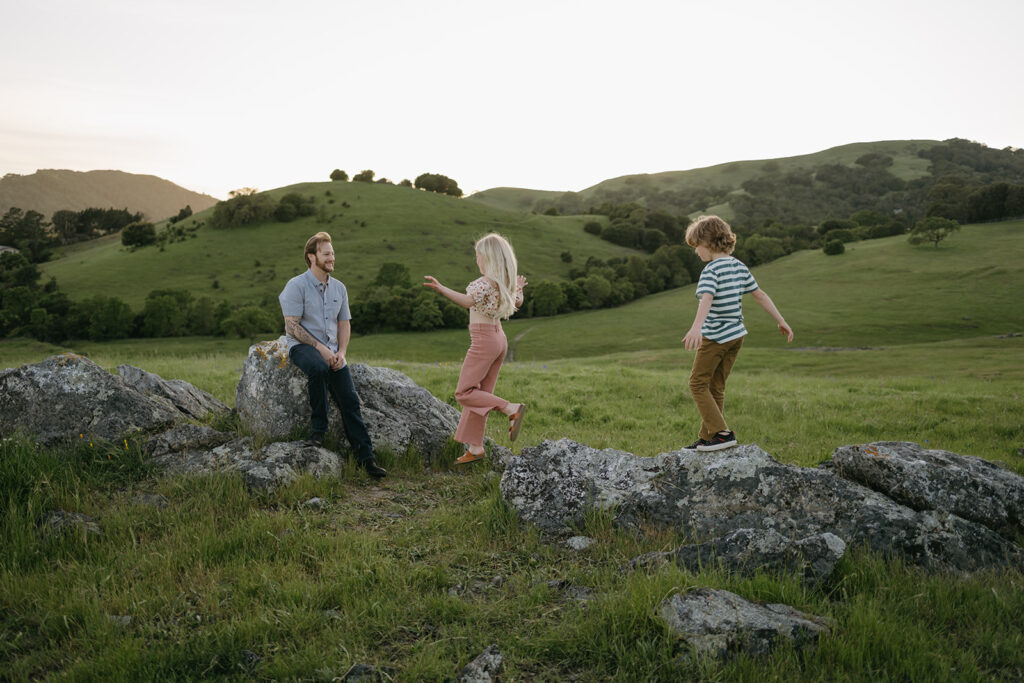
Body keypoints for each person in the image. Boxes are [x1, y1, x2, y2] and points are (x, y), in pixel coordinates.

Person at [278, 231, 386, 479]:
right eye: (326, 254)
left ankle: (366, 459)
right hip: (303, 347)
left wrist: (342, 352)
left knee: (350, 400)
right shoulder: (296, 286)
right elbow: (291, 326)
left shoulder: (339, 288)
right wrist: (320, 348)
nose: (332, 258)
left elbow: (344, 324)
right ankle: (318, 431)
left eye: (333, 253)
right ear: (311, 257)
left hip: (334, 352)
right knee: (318, 368)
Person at [681, 215, 793, 451]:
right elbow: (760, 294)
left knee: (697, 384)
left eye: (696, 247)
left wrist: (697, 328)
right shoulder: (739, 266)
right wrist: (781, 321)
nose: (696, 252)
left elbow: (707, 299)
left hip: (716, 337)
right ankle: (709, 436)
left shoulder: (711, 270)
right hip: (736, 337)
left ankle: (722, 433)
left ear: (707, 242)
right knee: (716, 387)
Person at [423, 233, 528, 464]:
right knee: (480, 396)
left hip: (483, 341)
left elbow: (468, 301)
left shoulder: (481, 284)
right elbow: (518, 303)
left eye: (478, 256)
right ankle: (476, 447)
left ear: (488, 258)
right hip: (499, 339)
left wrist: (442, 289)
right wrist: (519, 288)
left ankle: (511, 408)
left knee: (464, 393)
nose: (476, 260)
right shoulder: (505, 284)